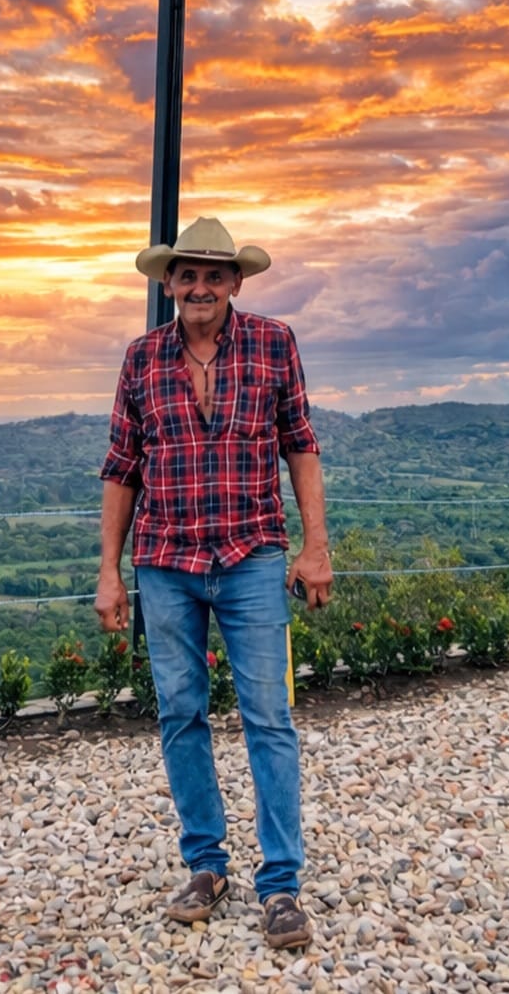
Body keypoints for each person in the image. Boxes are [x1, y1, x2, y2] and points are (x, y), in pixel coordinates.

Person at [96, 215, 332, 951]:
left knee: (269, 718)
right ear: (168, 283)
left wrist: (315, 547)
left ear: (235, 282)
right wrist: (107, 569)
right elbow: (120, 469)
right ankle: (205, 865)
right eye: (186, 274)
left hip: (253, 554)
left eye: (213, 274)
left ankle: (281, 885)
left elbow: (300, 447)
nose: (199, 286)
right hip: (164, 561)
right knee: (180, 716)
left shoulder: (273, 343)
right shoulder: (140, 359)